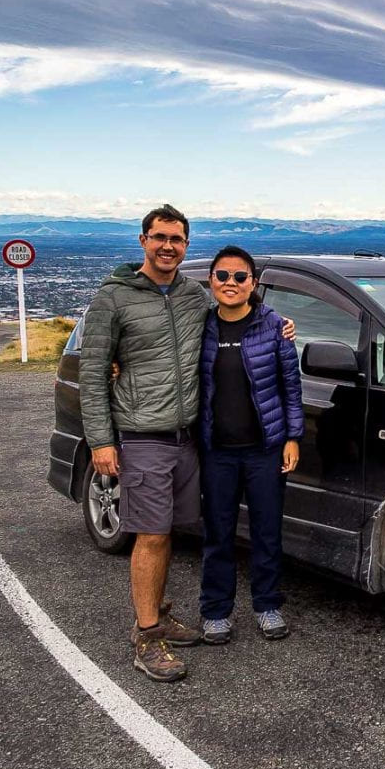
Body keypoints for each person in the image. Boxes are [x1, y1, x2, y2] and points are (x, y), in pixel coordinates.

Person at [78, 206, 295, 682]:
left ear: (186, 245)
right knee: (152, 535)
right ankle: (147, 635)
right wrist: (101, 441)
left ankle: (161, 613)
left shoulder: (193, 297)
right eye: (159, 238)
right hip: (142, 434)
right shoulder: (112, 300)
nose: (168, 246)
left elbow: (240, 314)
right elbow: (92, 374)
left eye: (177, 239)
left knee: (172, 531)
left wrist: (280, 325)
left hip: (190, 439)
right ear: (142, 240)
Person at [196, 245, 304, 645]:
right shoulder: (201, 328)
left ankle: (268, 605)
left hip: (265, 449)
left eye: (240, 277)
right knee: (218, 533)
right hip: (216, 451)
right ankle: (216, 611)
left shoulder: (274, 328)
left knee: (266, 532)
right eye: (223, 276)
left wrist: (292, 437)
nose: (231, 284)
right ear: (212, 280)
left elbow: (291, 388)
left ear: (252, 283)